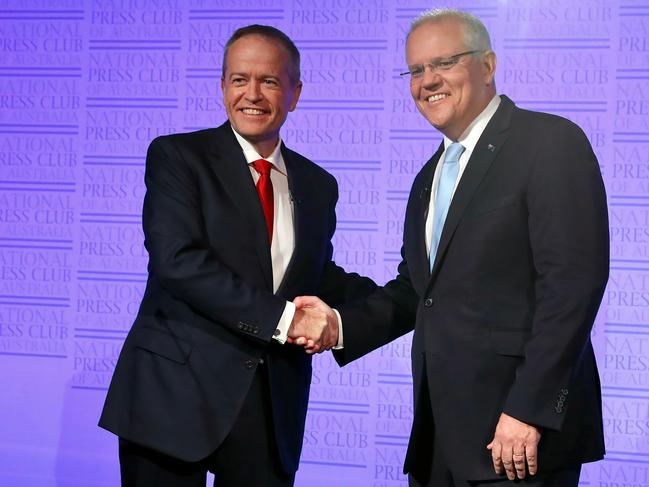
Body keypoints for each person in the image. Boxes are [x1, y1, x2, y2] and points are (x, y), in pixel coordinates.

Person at [295, 8, 609, 487]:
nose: (428, 81)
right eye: (416, 70)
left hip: (519, 440)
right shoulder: (428, 177)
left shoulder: (549, 142)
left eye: (444, 63)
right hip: (440, 440)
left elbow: (572, 285)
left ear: (487, 65)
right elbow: (417, 292)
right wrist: (340, 324)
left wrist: (528, 409)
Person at [99, 24, 375, 487]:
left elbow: (310, 275)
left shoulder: (318, 184)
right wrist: (288, 321)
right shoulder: (178, 156)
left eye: (269, 81)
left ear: (295, 92)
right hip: (172, 400)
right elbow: (177, 261)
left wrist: (410, 297)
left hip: (268, 409)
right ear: (223, 86)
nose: (253, 94)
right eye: (239, 79)